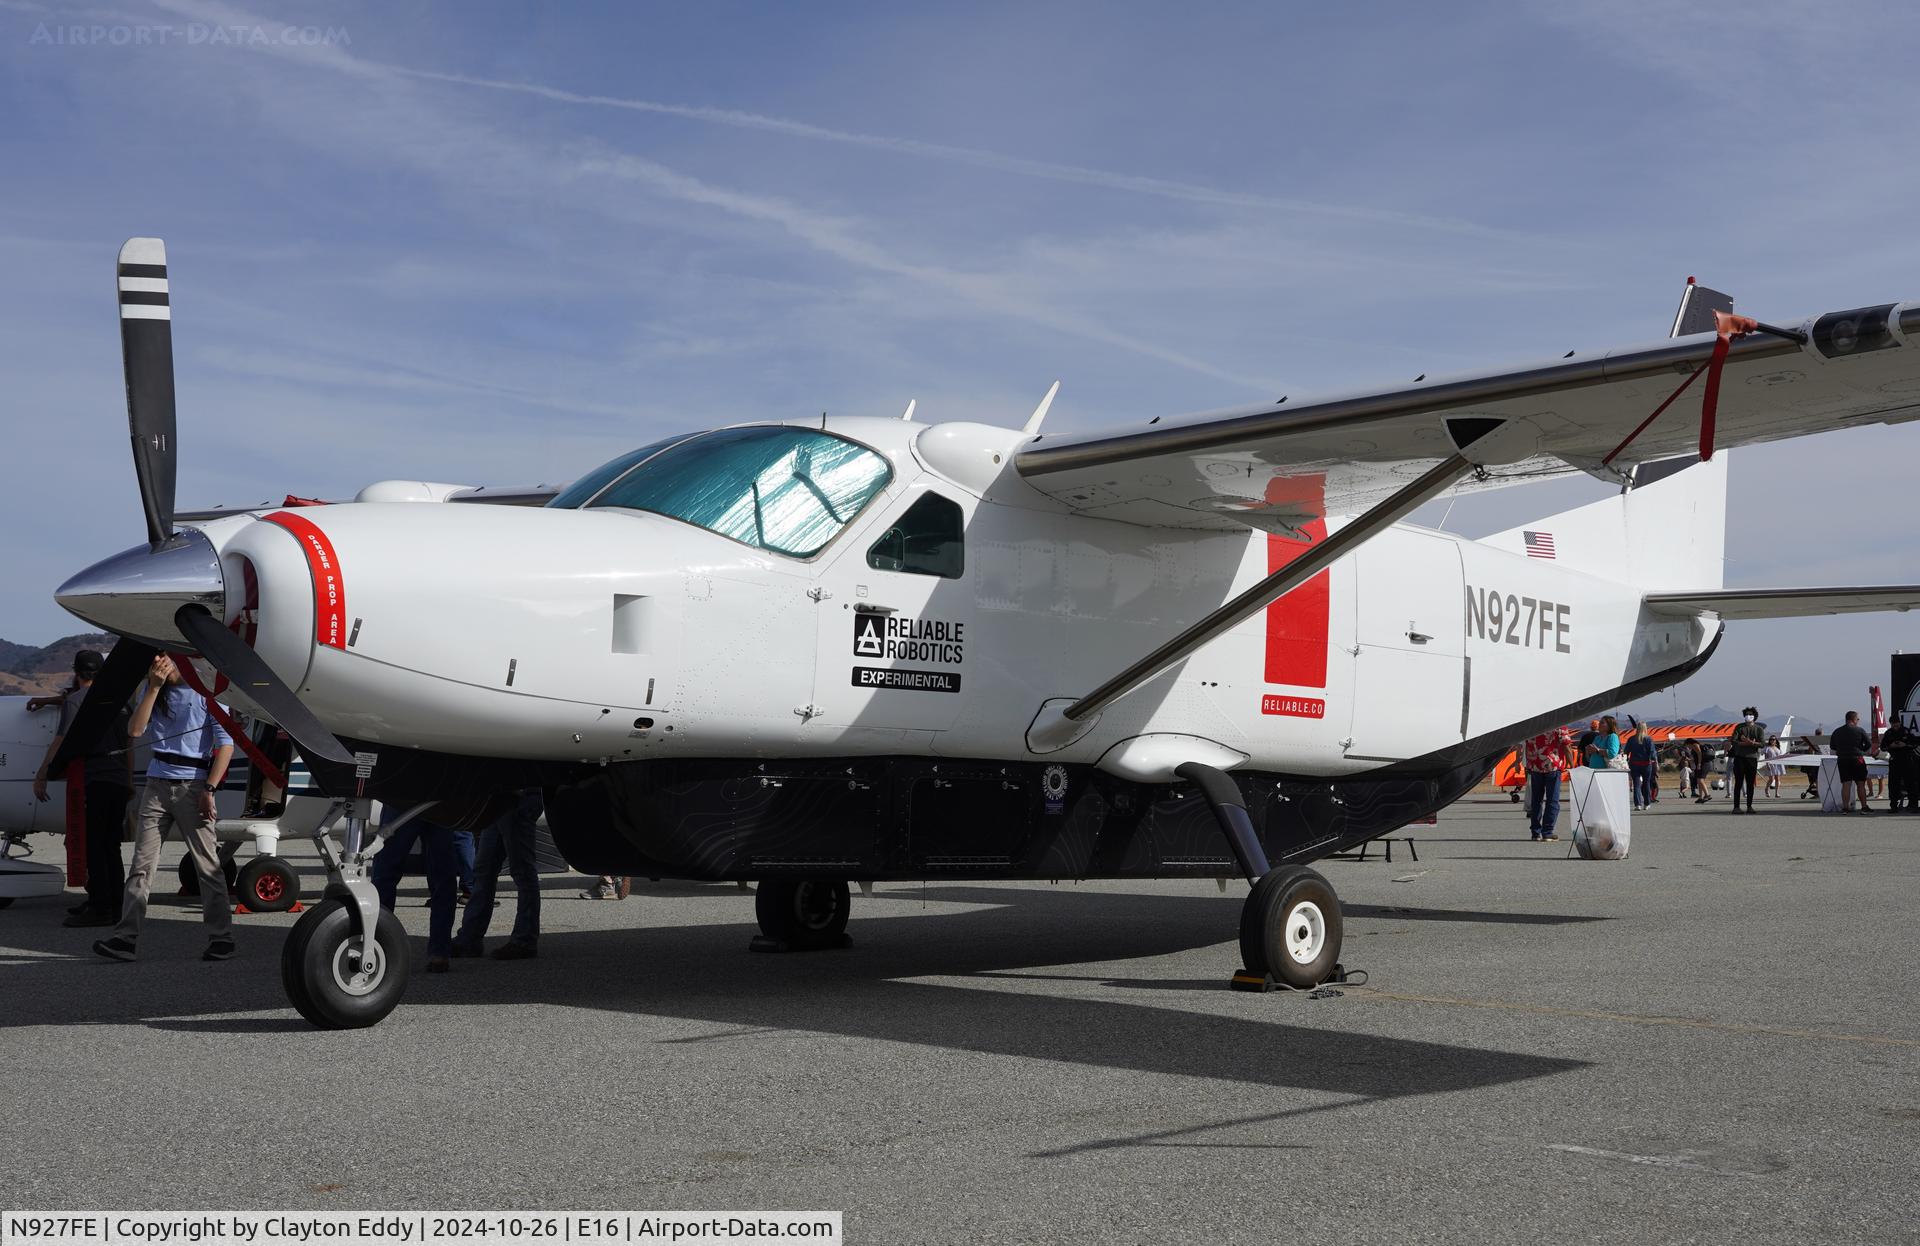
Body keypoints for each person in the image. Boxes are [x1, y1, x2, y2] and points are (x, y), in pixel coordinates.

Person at [92, 656, 236, 963]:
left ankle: (221, 938)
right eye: (156, 660)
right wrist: (154, 688)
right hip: (156, 785)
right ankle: (125, 938)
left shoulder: (207, 694)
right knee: (141, 865)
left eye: (164, 659)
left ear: (181, 662)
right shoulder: (153, 690)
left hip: (193, 785)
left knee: (207, 867)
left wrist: (209, 789)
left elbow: (225, 745)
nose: (159, 664)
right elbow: (135, 730)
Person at [31, 651, 134, 927]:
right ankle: (115, 902)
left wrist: (41, 774)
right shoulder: (121, 702)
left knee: (95, 847)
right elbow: (130, 742)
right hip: (118, 779)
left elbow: (60, 741)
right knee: (111, 845)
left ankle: (100, 908)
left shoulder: (75, 702)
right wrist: (129, 779)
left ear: (76, 672)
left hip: (96, 778)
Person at [371, 806, 475, 973]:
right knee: (441, 877)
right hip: (434, 800)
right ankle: (438, 951)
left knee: (386, 874)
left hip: (411, 799)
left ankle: (378, 946)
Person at [452, 788, 544, 960]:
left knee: (521, 871)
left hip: (516, 796)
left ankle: (524, 940)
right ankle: (470, 938)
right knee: (485, 870)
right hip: (502, 798)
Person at [1520, 724, 1575, 842]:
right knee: (1552, 800)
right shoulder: (1560, 725)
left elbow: (1526, 745)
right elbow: (1566, 746)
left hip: (1535, 766)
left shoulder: (1532, 725)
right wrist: (1572, 765)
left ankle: (1535, 833)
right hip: (1552, 766)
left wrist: (1528, 764)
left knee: (1536, 800)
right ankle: (1547, 832)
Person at [1829, 711, 1874, 814]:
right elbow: (1868, 744)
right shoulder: (1860, 730)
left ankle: (1845, 808)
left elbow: (1833, 747)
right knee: (1861, 784)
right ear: (1854, 719)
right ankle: (1864, 807)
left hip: (1843, 759)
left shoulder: (1837, 731)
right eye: (1858, 719)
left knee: (1846, 784)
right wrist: (1861, 750)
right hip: (1857, 759)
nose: (1858, 721)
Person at [1727, 707, 1766, 814]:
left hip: (1752, 758)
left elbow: (1762, 744)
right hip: (1739, 757)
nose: (1748, 716)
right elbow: (1734, 741)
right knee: (1738, 782)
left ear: (1754, 716)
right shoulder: (1739, 727)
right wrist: (1746, 743)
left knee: (1750, 783)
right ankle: (1736, 807)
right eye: (1746, 714)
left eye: (1750, 714)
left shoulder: (1759, 729)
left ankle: (1749, 806)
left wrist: (1750, 742)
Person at [1881, 718, 1918, 812]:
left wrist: (1904, 744)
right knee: (1893, 784)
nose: (1895, 727)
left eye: (1897, 725)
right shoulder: (1888, 733)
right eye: (1893, 725)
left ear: (1900, 723)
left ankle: (1913, 805)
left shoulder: (1906, 731)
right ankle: (1893, 806)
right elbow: (1883, 747)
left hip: (1907, 761)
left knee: (1910, 783)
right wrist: (1891, 746)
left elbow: (1915, 743)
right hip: (1894, 761)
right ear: (1891, 724)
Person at [1625, 727, 1657, 810]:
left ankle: (1638, 804)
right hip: (1646, 764)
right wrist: (1654, 760)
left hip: (1634, 764)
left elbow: (1626, 751)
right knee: (1646, 783)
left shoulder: (1631, 739)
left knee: (1636, 784)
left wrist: (1625, 760)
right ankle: (1647, 803)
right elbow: (1652, 752)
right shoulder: (1648, 739)